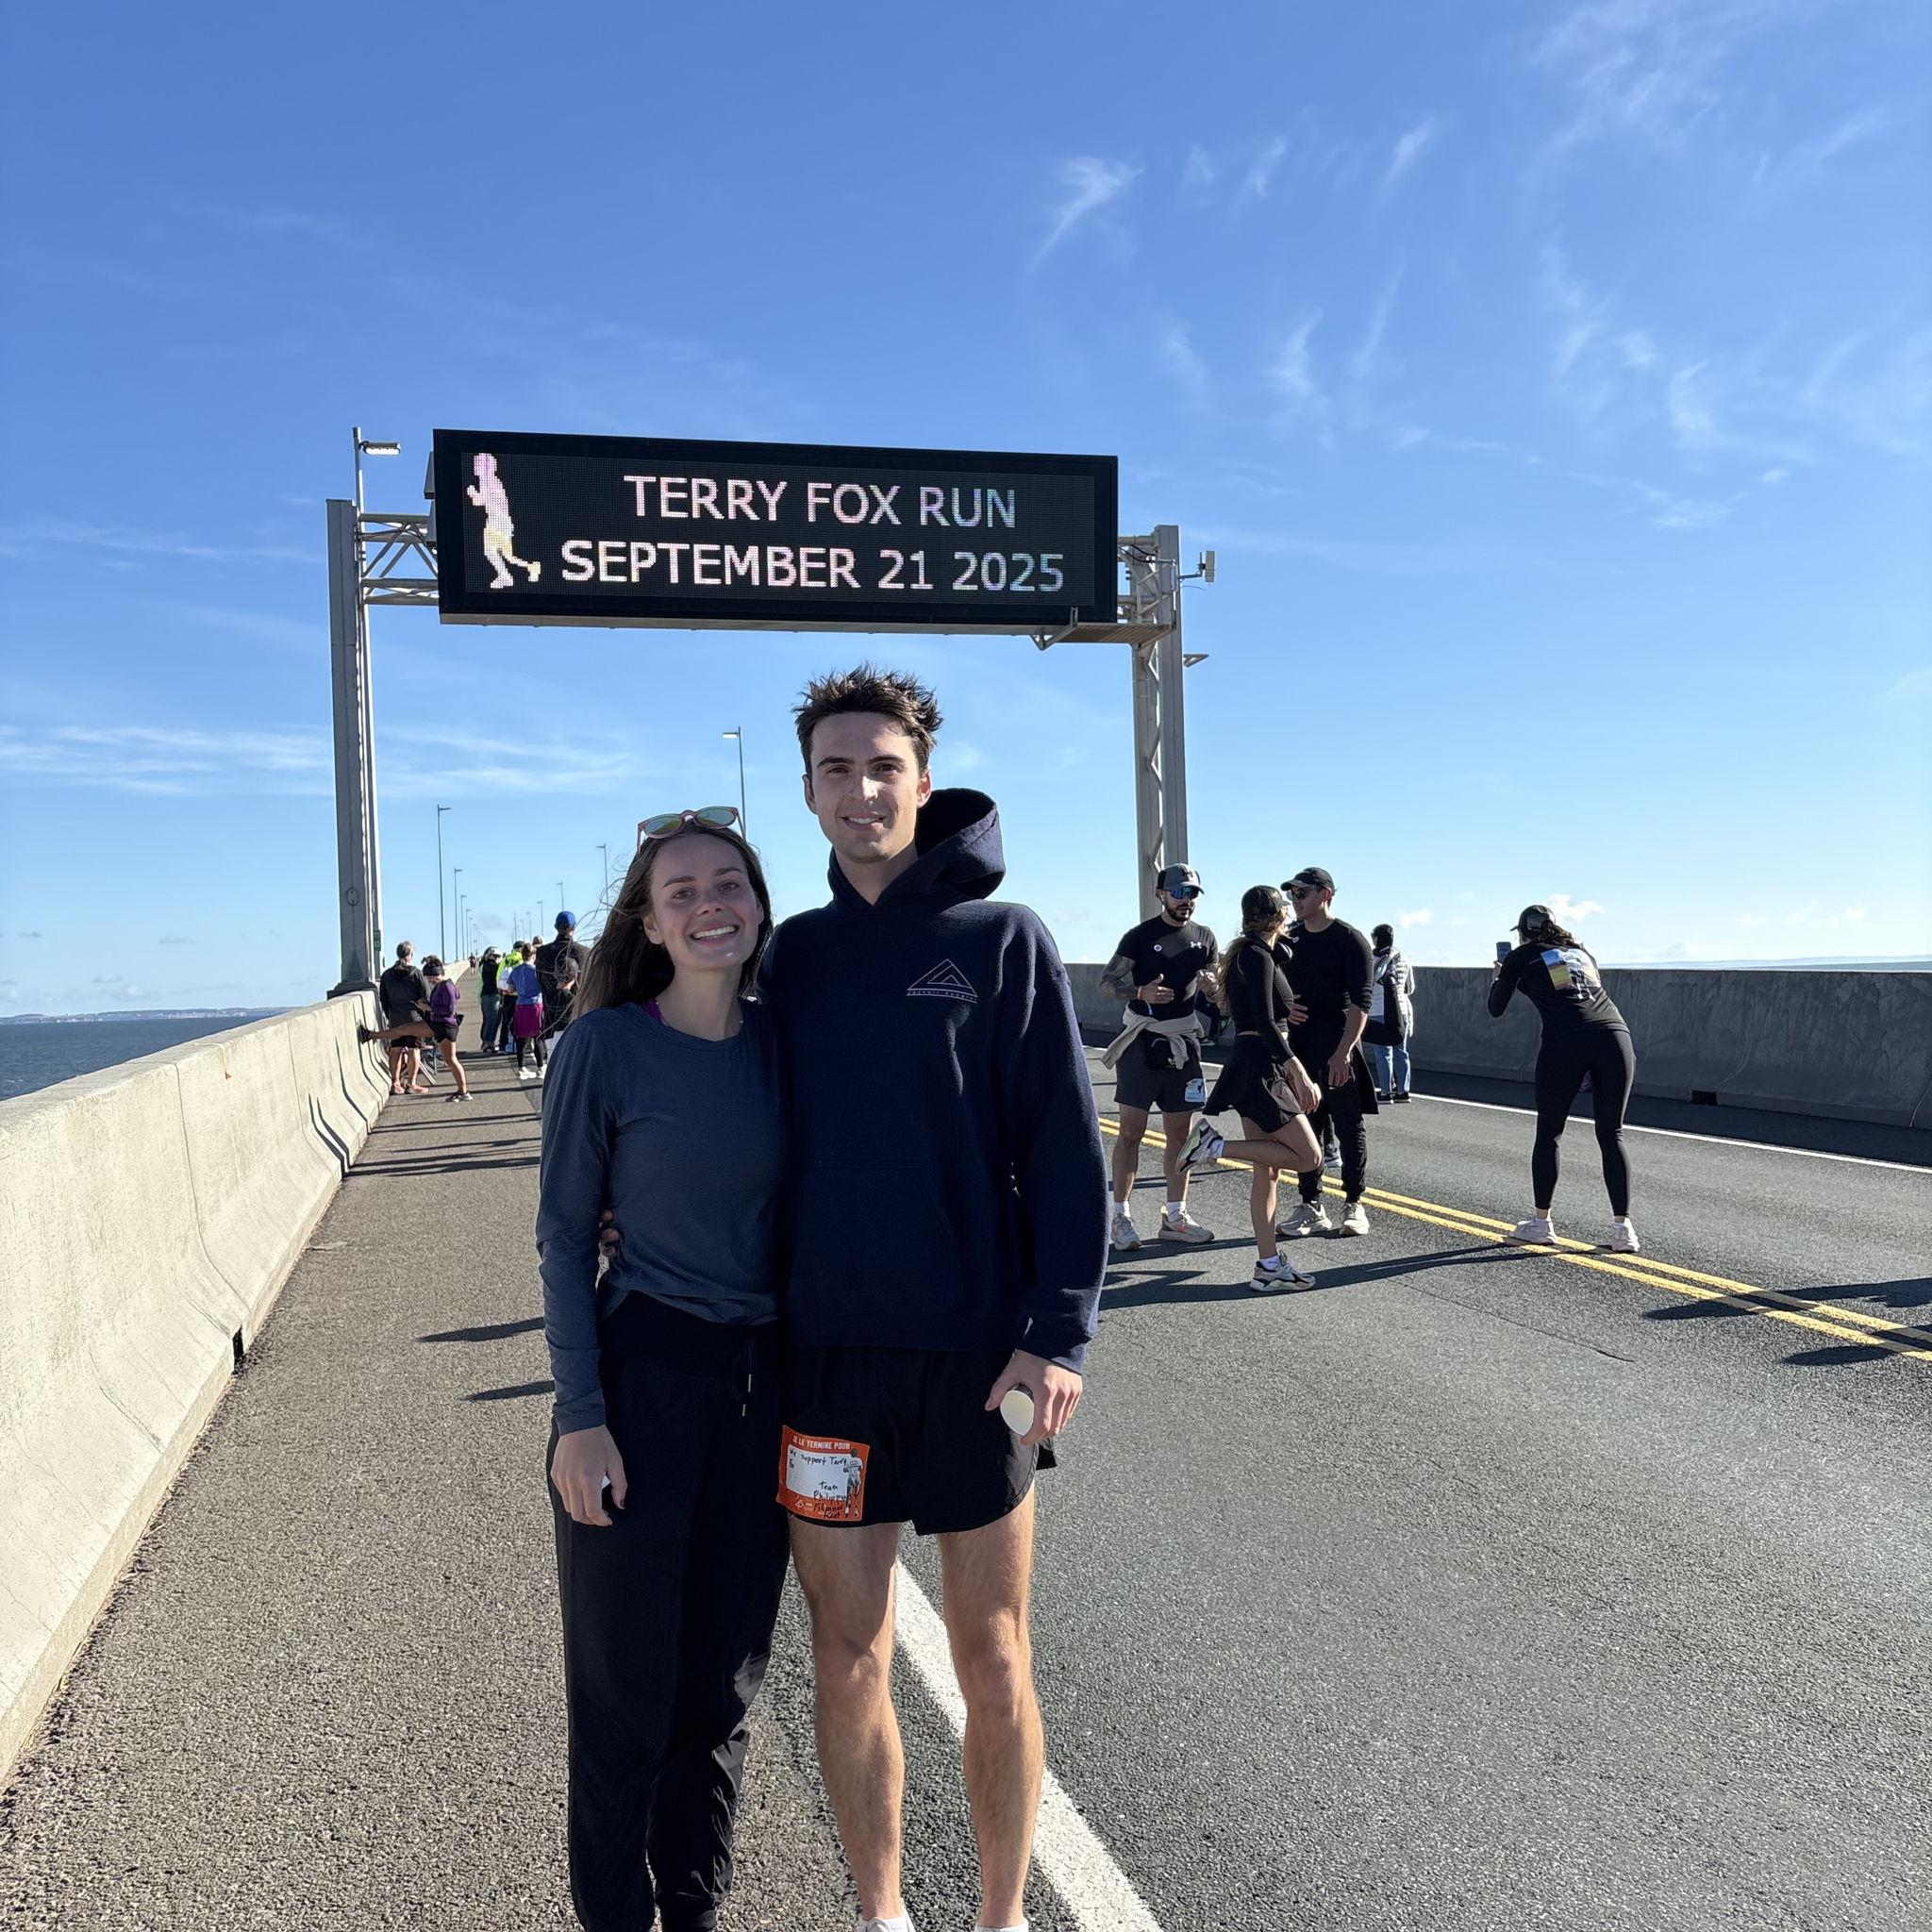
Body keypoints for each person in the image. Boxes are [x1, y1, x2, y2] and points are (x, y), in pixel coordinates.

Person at [757, 664, 1107, 1932]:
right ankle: (885, 1915)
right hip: (829, 1366)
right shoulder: (790, 957)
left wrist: (1056, 1333)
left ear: (923, 778)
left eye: (882, 766)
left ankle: (1003, 1919)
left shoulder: (1004, 942)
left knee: (993, 1656)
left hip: (976, 1367)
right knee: (846, 1659)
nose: (861, 789)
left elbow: (1067, 1155)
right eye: (837, 770)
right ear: (806, 792)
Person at [537, 811, 788, 1932]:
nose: (706, 903)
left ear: (757, 902)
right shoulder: (604, 1047)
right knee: (622, 1697)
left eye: (726, 882)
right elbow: (559, 1238)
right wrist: (578, 1418)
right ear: (646, 918)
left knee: (719, 1695)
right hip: (643, 1378)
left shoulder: (791, 1042)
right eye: (679, 889)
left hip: (763, 1388)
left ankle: (692, 1911)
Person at [1174, 887, 1324, 1291]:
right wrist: (1298, 1070)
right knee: (1309, 1157)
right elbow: (1260, 1018)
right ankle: (1213, 1148)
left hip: (1253, 1063)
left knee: (1269, 1172)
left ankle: (1269, 1266)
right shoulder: (1255, 956)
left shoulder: (1255, 954)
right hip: (1263, 1067)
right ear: (1278, 916)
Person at [1490, 905, 1640, 1253]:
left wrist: (1501, 977)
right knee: (1611, 1132)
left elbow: (1496, 1007)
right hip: (1616, 1036)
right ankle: (1623, 1229)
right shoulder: (1579, 953)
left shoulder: (1521, 956)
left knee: (1550, 1133)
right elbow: (1565, 992)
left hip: (1567, 1042)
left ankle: (1541, 1223)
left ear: (1523, 932)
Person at [1097, 862, 1219, 1249]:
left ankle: (1176, 1215)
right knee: (1131, 1132)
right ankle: (1121, 1217)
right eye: (1179, 893)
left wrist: (1214, 988)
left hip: (1183, 1042)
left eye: (1192, 894)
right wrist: (1139, 993)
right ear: (1161, 894)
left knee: (1180, 1135)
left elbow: (1219, 995)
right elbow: (1106, 984)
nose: (1186, 901)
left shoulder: (1205, 938)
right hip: (1142, 1042)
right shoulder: (1139, 936)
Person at [1275, 868, 1378, 1239]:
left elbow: (1361, 1002)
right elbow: (1269, 985)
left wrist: (1343, 1053)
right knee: (1308, 1124)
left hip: (1338, 1041)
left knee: (1349, 1126)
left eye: (1302, 892)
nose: (1295, 900)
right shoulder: (1289, 938)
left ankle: (1354, 1204)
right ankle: (1310, 1205)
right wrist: (1284, 1009)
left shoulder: (1350, 940)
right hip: (1301, 1045)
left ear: (1326, 894)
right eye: (1292, 894)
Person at [1365, 924, 1416, 1103]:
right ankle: (1403, 1091)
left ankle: (1385, 1092)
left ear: (1376, 939)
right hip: (1401, 1010)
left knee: (1383, 1054)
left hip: (1378, 1011)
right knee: (1402, 1051)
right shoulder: (1404, 959)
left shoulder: (1371, 960)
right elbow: (1410, 988)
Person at [375, 941, 431, 1096]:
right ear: (411, 955)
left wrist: (389, 1015)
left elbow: (383, 1000)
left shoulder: (387, 975)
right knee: (414, 1050)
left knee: (396, 1050)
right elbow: (426, 997)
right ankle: (411, 1083)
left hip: (396, 1019)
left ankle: (395, 1083)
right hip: (414, 1019)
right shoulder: (416, 973)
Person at [422, 957, 471, 1102]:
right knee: (449, 1060)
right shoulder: (440, 987)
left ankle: (464, 1091)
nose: (430, 980)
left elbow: (449, 1009)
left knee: (451, 1059)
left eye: (432, 977)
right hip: (441, 1025)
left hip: (447, 1026)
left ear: (439, 974)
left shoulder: (447, 987)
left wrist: (429, 1008)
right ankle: (461, 1090)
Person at [537, 912, 591, 1035]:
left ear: (556, 926)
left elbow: (540, 983)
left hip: (551, 1020)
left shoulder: (542, 953)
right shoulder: (584, 952)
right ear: (574, 927)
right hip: (577, 1018)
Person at [507, 942, 547, 1079]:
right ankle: (541, 1067)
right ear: (534, 956)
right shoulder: (537, 971)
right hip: (536, 1006)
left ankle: (521, 1067)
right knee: (538, 1037)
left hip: (521, 1006)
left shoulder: (515, 970)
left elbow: (511, 989)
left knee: (522, 1038)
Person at [477, 946, 504, 1055]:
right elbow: (498, 970)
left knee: (495, 1020)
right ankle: (487, 1042)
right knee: (491, 1020)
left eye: (498, 956)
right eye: (494, 956)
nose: (496, 958)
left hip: (494, 995)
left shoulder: (488, 965)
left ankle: (490, 1042)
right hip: (489, 995)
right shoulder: (488, 965)